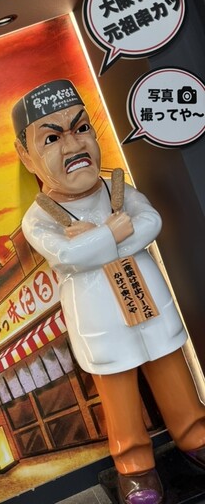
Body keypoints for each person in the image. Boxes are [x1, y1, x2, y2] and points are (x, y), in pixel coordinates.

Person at [11, 79, 205, 504]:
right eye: (51, 138)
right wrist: (113, 234)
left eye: (81, 129)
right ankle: (135, 468)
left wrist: (97, 242)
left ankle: (196, 436)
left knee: (171, 368)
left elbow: (150, 222)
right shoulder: (39, 218)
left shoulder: (116, 188)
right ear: (26, 156)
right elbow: (66, 255)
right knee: (117, 391)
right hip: (99, 317)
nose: (73, 145)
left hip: (147, 302)